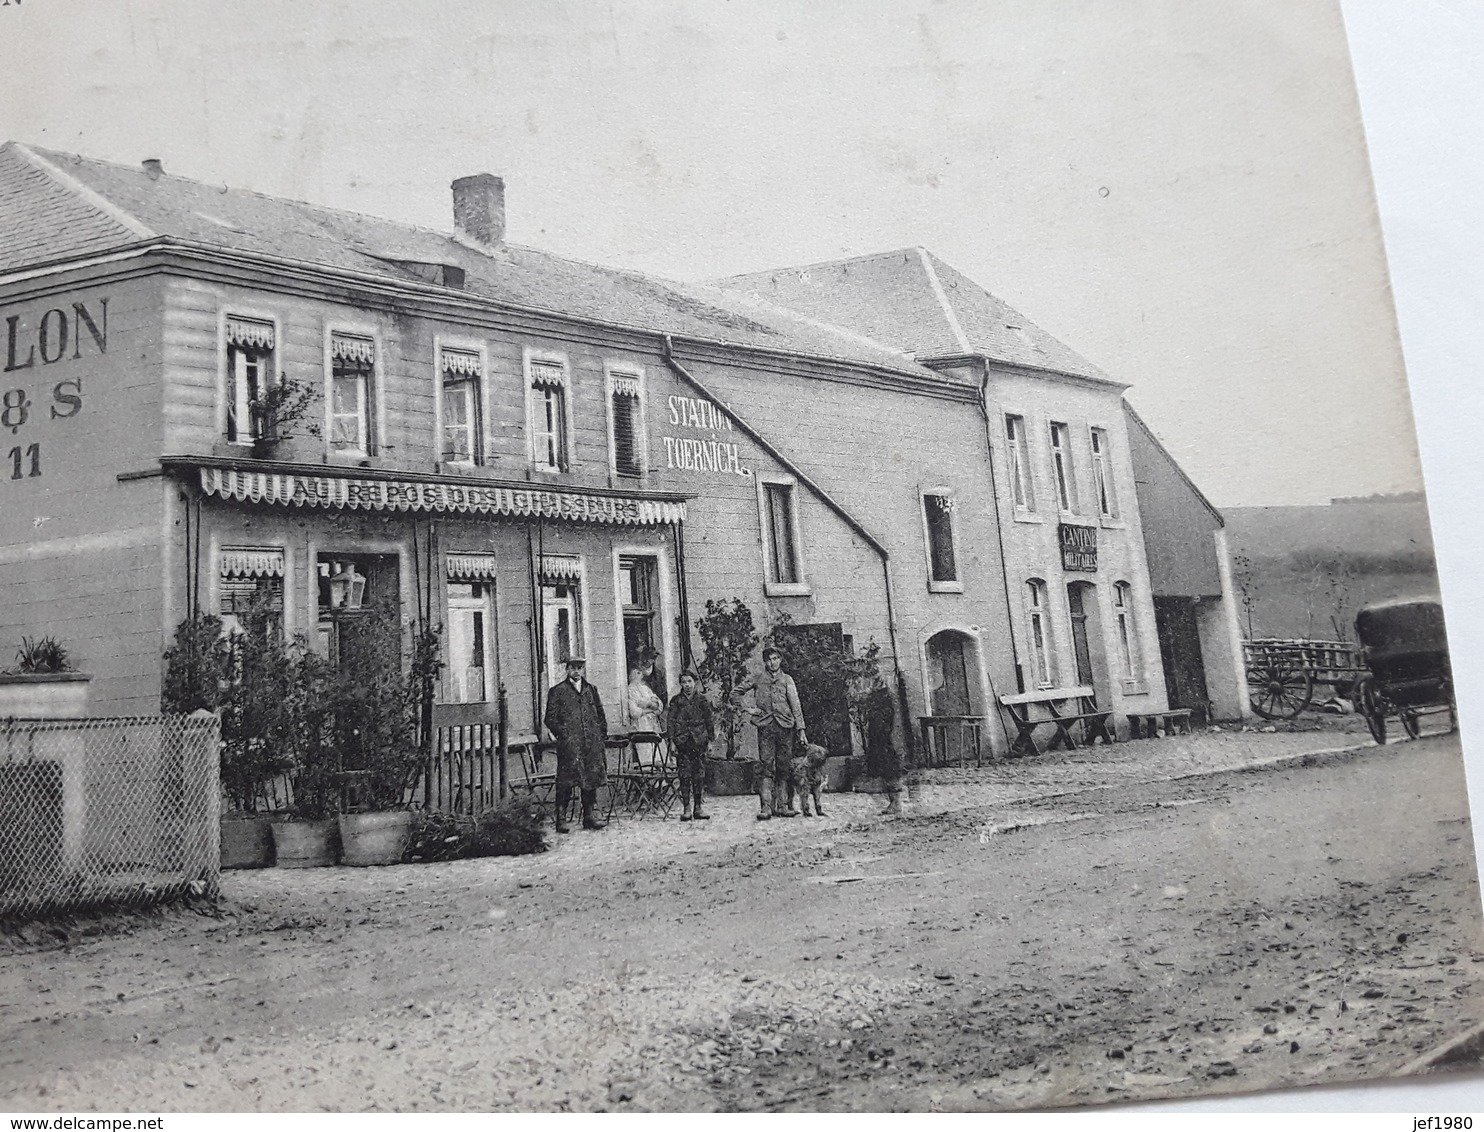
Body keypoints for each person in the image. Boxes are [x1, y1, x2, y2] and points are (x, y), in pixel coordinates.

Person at [543, 654, 609, 833]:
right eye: (573, 667)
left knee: (590, 780)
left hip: (591, 743)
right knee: (566, 781)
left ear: (583, 669)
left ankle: (589, 816)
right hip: (570, 745)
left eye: (580, 668)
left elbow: (600, 714)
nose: (576, 671)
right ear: (567, 669)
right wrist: (565, 735)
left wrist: (600, 734)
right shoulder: (557, 691)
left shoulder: (591, 690)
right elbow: (550, 718)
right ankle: (561, 819)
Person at [745, 645, 807, 820]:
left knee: (784, 767)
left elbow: (796, 706)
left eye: (775, 658)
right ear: (765, 661)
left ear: (780, 660)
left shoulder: (787, 680)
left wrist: (801, 729)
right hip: (766, 728)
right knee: (766, 766)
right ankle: (766, 807)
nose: (772, 663)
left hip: (785, 728)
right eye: (769, 659)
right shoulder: (758, 678)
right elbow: (736, 693)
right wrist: (748, 709)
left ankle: (784, 806)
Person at [667, 665, 714, 822]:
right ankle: (686, 808)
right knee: (684, 775)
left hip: (699, 741)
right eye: (683, 682)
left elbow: (709, 721)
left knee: (699, 775)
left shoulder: (702, 700)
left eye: (689, 681)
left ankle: (698, 808)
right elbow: (671, 723)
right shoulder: (676, 701)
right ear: (680, 684)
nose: (687, 685)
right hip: (683, 742)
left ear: (695, 683)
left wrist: (711, 741)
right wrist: (672, 742)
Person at [861, 680, 905, 816]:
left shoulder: (882, 703)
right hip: (880, 741)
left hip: (883, 741)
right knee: (885, 771)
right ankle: (893, 802)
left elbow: (881, 725)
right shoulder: (883, 701)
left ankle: (895, 802)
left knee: (888, 770)